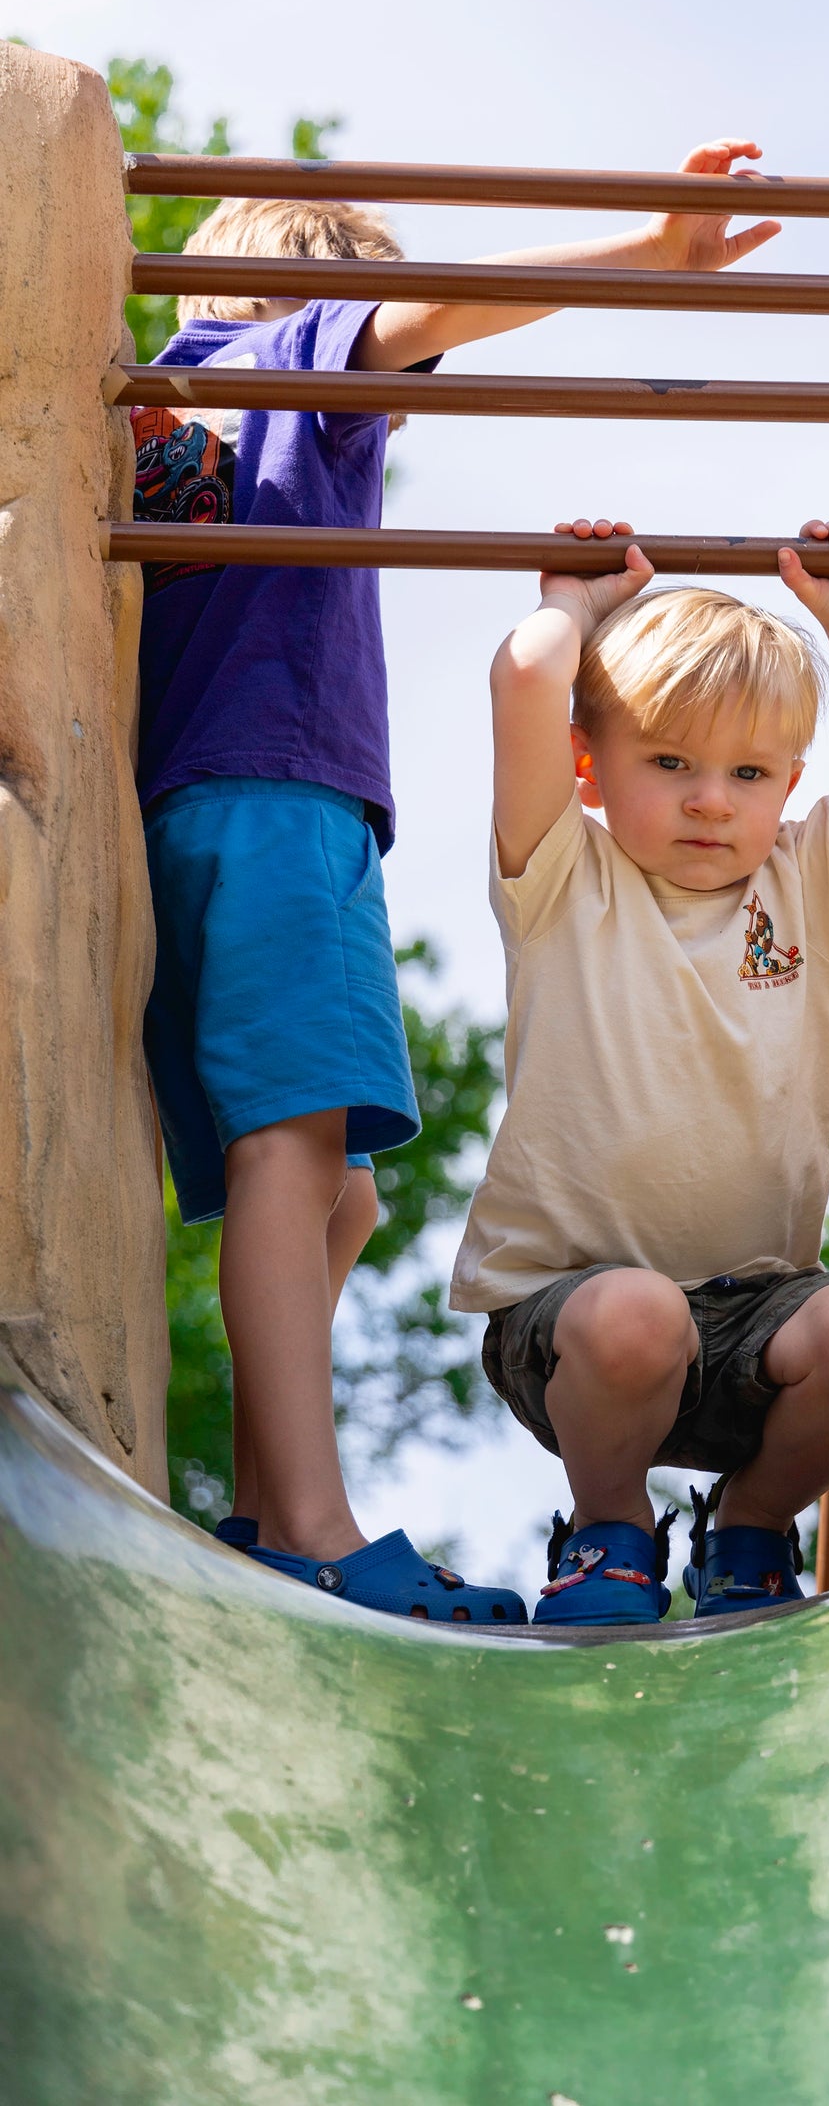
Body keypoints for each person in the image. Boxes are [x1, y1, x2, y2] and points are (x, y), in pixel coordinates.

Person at [134, 143, 782, 1626]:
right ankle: (310, 1520)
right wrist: (654, 249)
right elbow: (436, 308)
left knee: (339, 1194)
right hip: (282, 801)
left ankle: (258, 1506)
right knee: (294, 1158)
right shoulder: (283, 358)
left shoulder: (165, 405)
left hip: (202, 810)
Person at [450, 516, 829, 1624]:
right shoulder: (561, 879)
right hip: (576, 1328)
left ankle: (746, 1528)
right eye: (669, 761)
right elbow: (529, 674)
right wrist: (574, 607)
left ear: (789, 782)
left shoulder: (810, 878)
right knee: (634, 1314)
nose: (709, 799)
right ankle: (608, 1531)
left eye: (747, 771)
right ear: (590, 767)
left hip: (753, 1320)